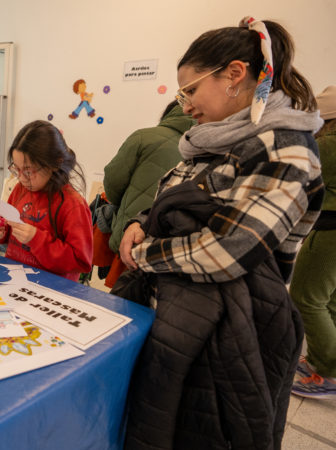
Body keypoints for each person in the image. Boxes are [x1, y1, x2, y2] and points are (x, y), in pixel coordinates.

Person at [119, 18, 323, 449]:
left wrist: (144, 255)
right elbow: (171, 199)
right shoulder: (217, 138)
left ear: (234, 74)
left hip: (233, 330)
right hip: (179, 312)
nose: (185, 105)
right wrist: (140, 220)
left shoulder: (284, 148)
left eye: (190, 90)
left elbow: (227, 251)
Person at [100, 100, 194, 287]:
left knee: (122, 298)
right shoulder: (202, 147)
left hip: (131, 236)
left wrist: (124, 208)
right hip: (173, 246)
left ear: (168, 114)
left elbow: (113, 181)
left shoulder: (144, 137)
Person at [0, 120, 93, 281]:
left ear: (54, 164)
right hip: (15, 280)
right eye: (17, 169)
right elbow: (8, 226)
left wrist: (36, 239)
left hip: (51, 290)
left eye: (29, 171)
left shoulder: (72, 204)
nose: (22, 178)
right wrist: (0, 230)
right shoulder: (20, 189)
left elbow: (81, 261)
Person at [289, 85, 336, 398]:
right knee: (330, 301)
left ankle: (327, 373)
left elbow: (298, 180)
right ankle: (324, 361)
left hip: (329, 232)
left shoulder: (330, 144)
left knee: (307, 298)